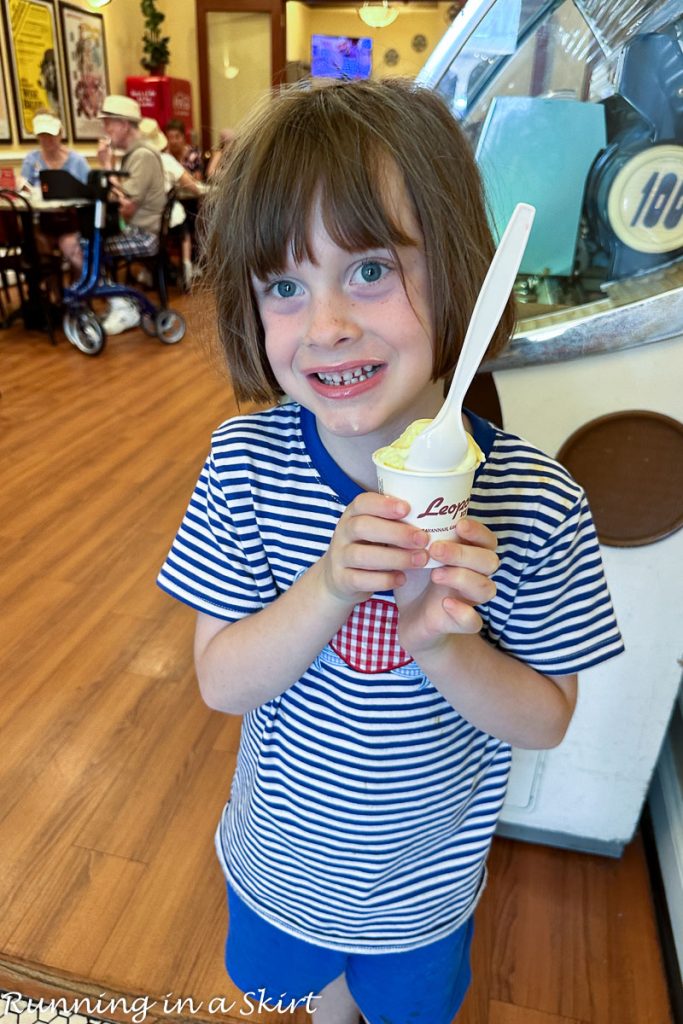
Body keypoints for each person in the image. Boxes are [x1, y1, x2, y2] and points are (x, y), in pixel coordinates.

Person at [157, 80, 624, 1024]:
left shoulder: (536, 504)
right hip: (276, 866)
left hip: (424, 898)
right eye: (285, 286)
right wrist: (327, 586)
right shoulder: (247, 464)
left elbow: (542, 722)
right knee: (310, 1007)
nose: (324, 324)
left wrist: (445, 645)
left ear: (454, 268)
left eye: (369, 269)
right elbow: (222, 682)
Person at [91, 94, 166, 335]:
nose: (105, 129)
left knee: (92, 249)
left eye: (108, 123)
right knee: (90, 244)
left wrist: (106, 166)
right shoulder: (135, 154)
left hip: (145, 235)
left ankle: (124, 305)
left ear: (124, 125)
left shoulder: (142, 155)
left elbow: (126, 205)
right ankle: (119, 302)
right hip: (136, 229)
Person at [18, 110, 90, 273]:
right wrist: (23, 186)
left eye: (51, 134)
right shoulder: (31, 160)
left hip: (73, 222)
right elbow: (24, 189)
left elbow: (89, 193)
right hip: (43, 222)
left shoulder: (77, 161)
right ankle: (55, 293)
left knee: (69, 244)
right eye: (42, 135)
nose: (47, 139)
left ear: (60, 134)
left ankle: (82, 290)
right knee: (37, 243)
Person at [138, 116, 204, 288]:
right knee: (184, 228)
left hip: (140, 221)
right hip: (165, 219)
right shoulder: (166, 160)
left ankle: (149, 270)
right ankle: (187, 267)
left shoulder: (133, 162)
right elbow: (194, 186)